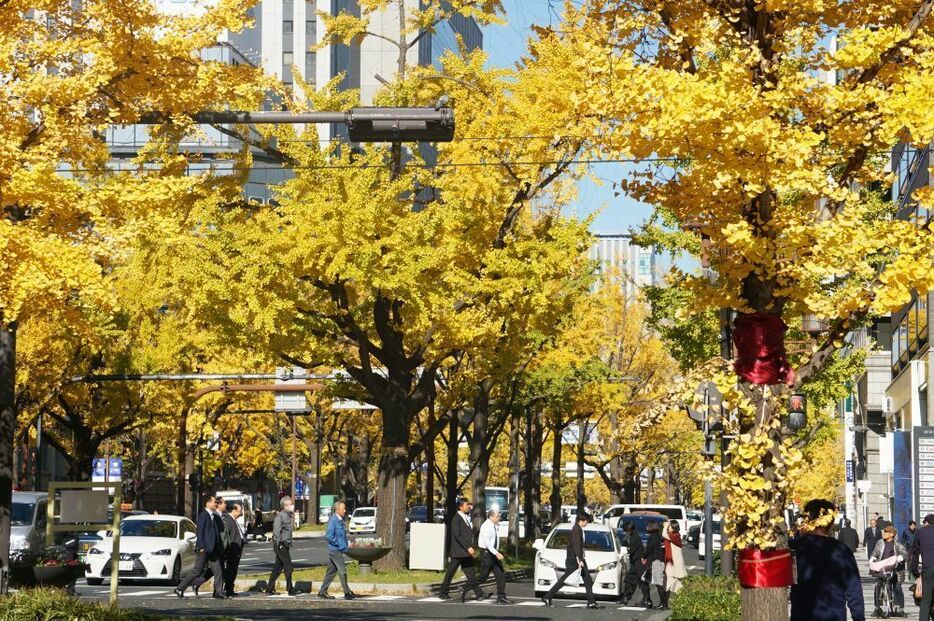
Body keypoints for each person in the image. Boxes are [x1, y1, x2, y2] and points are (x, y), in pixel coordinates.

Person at [790, 499, 865, 621]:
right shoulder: (841, 550)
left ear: (807, 521)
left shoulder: (795, 547)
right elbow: (853, 589)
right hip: (834, 614)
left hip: (801, 614)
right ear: (831, 522)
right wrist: (858, 617)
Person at [541, 511, 601, 609]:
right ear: (581, 520)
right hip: (574, 560)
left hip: (575, 558)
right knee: (568, 580)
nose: (587, 523)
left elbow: (578, 545)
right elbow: (576, 546)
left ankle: (591, 601)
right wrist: (580, 559)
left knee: (586, 580)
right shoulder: (576, 530)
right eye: (586, 521)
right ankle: (547, 596)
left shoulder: (577, 529)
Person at [176, 495, 226, 599]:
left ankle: (218, 592)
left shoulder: (214, 516)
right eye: (214, 502)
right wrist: (202, 546)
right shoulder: (203, 515)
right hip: (204, 549)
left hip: (213, 549)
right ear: (208, 503)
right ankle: (180, 588)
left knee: (218, 570)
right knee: (197, 571)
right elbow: (200, 532)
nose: (216, 504)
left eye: (217, 502)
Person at [438, 497, 484, 601]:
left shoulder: (466, 517)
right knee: (450, 573)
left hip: (465, 552)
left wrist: (470, 547)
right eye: (467, 505)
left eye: (469, 504)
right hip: (459, 551)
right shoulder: (456, 519)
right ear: (460, 507)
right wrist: (468, 547)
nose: (469, 506)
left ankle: (479, 593)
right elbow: (457, 535)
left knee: (471, 574)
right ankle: (443, 592)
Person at [318, 500, 357, 600]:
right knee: (342, 570)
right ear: (337, 510)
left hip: (338, 549)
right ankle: (347, 592)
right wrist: (339, 544)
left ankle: (322, 591)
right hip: (335, 550)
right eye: (343, 509)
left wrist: (345, 544)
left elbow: (342, 535)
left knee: (331, 572)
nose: (345, 510)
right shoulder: (333, 520)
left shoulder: (340, 520)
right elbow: (329, 536)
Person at [475, 509, 511, 604]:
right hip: (487, 554)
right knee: (483, 577)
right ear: (491, 517)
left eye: (498, 516)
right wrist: (496, 553)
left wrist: (496, 552)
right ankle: (465, 587)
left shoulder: (493, 526)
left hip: (492, 554)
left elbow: (494, 540)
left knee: (501, 575)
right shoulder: (486, 526)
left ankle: (501, 597)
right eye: (497, 516)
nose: (498, 518)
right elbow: (487, 543)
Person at [870, 525, 906, 617]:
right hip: (882, 568)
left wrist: (901, 557)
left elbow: (905, 554)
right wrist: (873, 558)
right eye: (884, 531)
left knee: (897, 588)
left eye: (886, 532)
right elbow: (876, 551)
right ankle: (877, 608)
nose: (884, 533)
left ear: (892, 534)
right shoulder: (880, 542)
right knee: (878, 586)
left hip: (895, 569)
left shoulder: (897, 545)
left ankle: (900, 609)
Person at [265, 496, 297, 596]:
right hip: (281, 544)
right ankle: (290, 588)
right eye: (290, 504)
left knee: (278, 568)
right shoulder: (281, 516)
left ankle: (269, 588)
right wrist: (278, 544)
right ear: (285, 506)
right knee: (289, 566)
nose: (292, 506)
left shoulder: (288, 515)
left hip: (285, 544)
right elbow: (277, 531)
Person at [619, 521, 650, 607]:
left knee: (642, 581)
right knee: (629, 579)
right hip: (635, 561)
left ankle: (647, 599)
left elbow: (631, 549)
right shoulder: (633, 535)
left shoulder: (635, 537)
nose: (625, 532)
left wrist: (627, 549)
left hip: (638, 562)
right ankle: (626, 597)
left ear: (629, 530)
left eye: (626, 531)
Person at [910, 513, 934, 620]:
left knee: (925, 600)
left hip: (928, 568)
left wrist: (914, 569)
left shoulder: (921, 532)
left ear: (927, 522)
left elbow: (915, 552)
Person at [222, 502, 246, 597]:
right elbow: (225, 535)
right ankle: (228, 589)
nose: (241, 513)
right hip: (232, 549)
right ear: (234, 510)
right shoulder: (228, 520)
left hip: (236, 549)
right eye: (240, 511)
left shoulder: (233, 520)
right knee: (230, 571)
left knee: (233, 570)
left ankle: (230, 589)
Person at [644, 520, 667, 610]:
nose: (646, 528)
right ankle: (648, 600)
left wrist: (643, 556)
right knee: (645, 580)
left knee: (658, 583)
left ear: (651, 527)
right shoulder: (657, 536)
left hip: (656, 562)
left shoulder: (652, 537)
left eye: (647, 526)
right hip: (657, 561)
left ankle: (663, 603)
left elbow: (649, 549)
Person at [663, 520, 686, 598]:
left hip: (675, 562)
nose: (667, 528)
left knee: (674, 580)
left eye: (669, 527)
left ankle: (682, 595)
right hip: (671, 561)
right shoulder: (673, 535)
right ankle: (665, 601)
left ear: (673, 528)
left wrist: (666, 525)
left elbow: (663, 534)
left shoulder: (675, 536)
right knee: (669, 579)